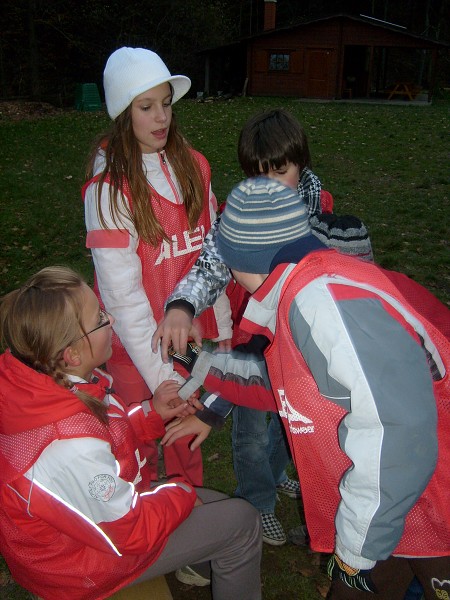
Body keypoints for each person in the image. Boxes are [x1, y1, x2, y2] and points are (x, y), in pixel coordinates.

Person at [162, 177, 450, 600]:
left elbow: (394, 430)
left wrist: (354, 550)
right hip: (395, 506)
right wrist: (203, 364)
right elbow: (289, 381)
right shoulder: (301, 291)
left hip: (426, 498)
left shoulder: (323, 304)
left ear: (242, 259)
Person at [155, 108, 373, 545]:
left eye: (280, 170)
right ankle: (256, 503)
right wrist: (181, 304)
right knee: (253, 431)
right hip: (256, 347)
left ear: (301, 163)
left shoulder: (335, 229)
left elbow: (360, 300)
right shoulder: (241, 217)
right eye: (258, 175)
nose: (269, 185)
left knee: (288, 428)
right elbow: (209, 264)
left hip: (311, 363)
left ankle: (275, 476)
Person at [0, 266, 262, 600]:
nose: (110, 321)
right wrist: (181, 492)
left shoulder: (51, 386)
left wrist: (151, 415)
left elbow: (101, 433)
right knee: (242, 522)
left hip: (94, 534)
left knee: (221, 508)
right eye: (99, 318)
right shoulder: (65, 448)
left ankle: (201, 561)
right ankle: (216, 555)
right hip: (84, 569)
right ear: (72, 353)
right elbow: (132, 530)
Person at [82, 46, 232, 490]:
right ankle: (147, 532)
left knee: (186, 435)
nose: (161, 117)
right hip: (136, 350)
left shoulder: (195, 166)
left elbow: (213, 253)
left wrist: (222, 332)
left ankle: (192, 516)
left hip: (192, 336)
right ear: (123, 114)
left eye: (166, 103)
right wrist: (161, 378)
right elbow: (122, 298)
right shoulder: (109, 192)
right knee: (140, 442)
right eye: (146, 107)